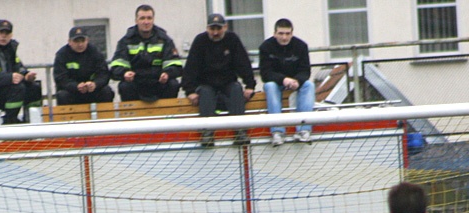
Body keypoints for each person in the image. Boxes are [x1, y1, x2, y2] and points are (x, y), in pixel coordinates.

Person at [181, 13, 256, 148]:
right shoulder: (200, 41)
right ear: (207, 28)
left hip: (228, 83)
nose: (215, 32)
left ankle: (240, 132)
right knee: (206, 92)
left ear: (225, 27)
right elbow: (190, 68)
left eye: (218, 29)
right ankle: (207, 134)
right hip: (205, 84)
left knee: (236, 88)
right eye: (212, 29)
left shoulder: (232, 40)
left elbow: (243, 63)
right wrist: (189, 91)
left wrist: (250, 85)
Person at [109, 4, 183, 102]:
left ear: (153, 20)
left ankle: (167, 116)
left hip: (159, 82)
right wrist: (125, 73)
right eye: (142, 18)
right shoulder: (125, 41)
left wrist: (167, 74)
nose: (146, 22)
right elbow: (116, 66)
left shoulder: (165, 40)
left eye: (149, 18)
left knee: (173, 84)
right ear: (136, 21)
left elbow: (175, 65)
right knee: (124, 86)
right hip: (136, 83)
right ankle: (132, 115)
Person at [258, 18, 315, 145]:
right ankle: (277, 131)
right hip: (276, 83)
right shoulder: (266, 47)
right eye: (281, 33)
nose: (284, 37)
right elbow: (265, 74)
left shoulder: (301, 46)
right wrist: (283, 80)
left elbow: (306, 71)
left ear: (292, 33)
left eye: (287, 34)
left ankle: (304, 130)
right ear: (275, 33)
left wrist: (297, 81)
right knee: (270, 86)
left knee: (309, 85)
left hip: (296, 82)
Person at [53, 26, 115, 106]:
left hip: (92, 91)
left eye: (82, 40)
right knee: (62, 95)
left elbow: (104, 74)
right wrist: (76, 86)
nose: (80, 44)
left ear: (87, 40)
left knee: (107, 92)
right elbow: (60, 78)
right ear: (69, 42)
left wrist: (95, 84)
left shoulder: (95, 52)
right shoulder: (62, 55)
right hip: (72, 92)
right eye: (76, 41)